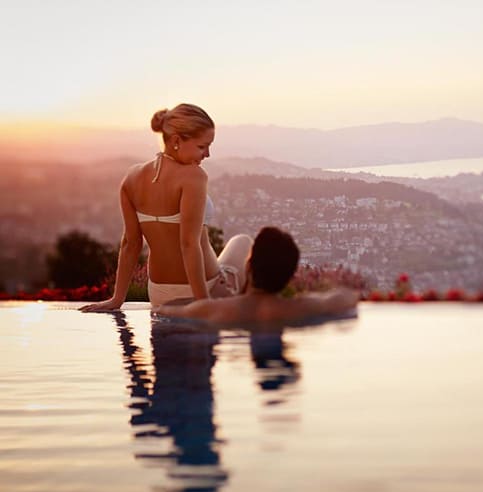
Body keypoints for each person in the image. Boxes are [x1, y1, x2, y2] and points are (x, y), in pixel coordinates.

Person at [80, 103, 252, 311]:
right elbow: (189, 244)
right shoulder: (193, 177)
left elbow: (130, 244)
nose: (207, 154)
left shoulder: (132, 178)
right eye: (202, 146)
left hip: (159, 295)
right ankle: (249, 314)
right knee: (243, 242)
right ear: (177, 141)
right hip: (203, 289)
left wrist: (117, 300)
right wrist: (203, 304)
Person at [156, 226, 359, 325]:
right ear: (289, 278)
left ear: (249, 266)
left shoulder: (214, 310)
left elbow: (163, 311)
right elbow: (346, 297)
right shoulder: (300, 308)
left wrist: (216, 298)